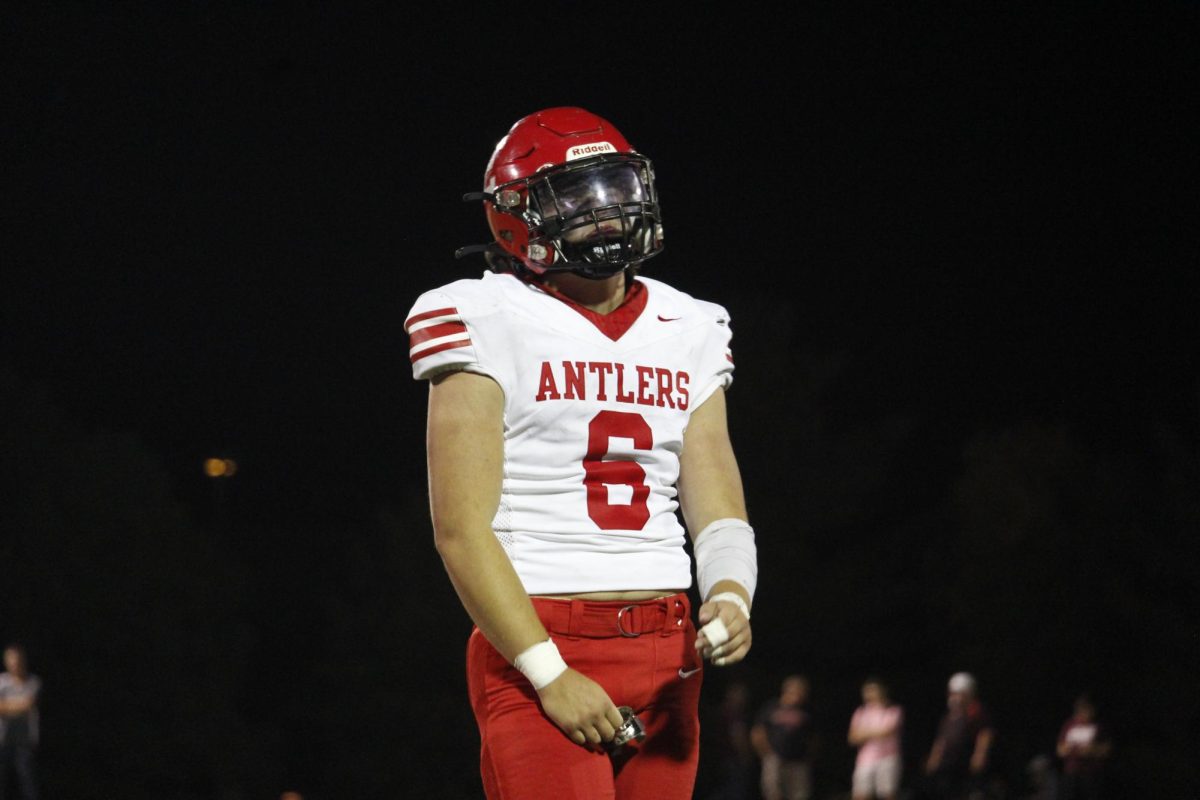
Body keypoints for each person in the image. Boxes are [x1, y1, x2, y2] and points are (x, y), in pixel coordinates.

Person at [407, 107, 757, 800]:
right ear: (514, 214)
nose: (603, 214)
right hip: (540, 634)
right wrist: (548, 671)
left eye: (614, 188)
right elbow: (459, 529)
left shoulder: (691, 324)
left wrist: (731, 592)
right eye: (572, 197)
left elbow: (715, 497)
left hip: (669, 648)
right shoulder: (481, 316)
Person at [922, 672, 993, 800]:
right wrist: (934, 757)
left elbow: (985, 734)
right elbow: (941, 739)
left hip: (965, 760)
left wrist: (980, 754)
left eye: (961, 693)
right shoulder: (949, 716)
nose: (956, 697)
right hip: (947, 763)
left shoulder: (976, 712)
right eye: (954, 693)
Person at [750, 675, 815, 800]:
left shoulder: (806, 712)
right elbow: (758, 732)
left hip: (798, 761)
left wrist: (808, 756)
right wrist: (767, 754)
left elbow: (813, 737)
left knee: (799, 794)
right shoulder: (771, 707)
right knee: (773, 792)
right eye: (798, 690)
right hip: (775, 759)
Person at [847, 677, 903, 800]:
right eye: (867, 691)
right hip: (865, 759)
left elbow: (886, 732)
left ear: (882, 691)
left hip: (888, 758)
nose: (869, 694)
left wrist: (863, 733)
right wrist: (873, 733)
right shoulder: (860, 712)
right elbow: (852, 738)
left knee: (888, 794)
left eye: (873, 690)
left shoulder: (893, 710)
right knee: (860, 794)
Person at [0, 645, 40, 800]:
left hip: (24, 740)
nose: (13, 663)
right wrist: (18, 704)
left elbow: (29, 704)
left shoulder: (33, 681)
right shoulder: (1, 681)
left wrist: (7, 705)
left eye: (16, 659)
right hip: (3, 738)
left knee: (27, 780)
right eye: (10, 659)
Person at [1056, 695, 1110, 800]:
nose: (1083, 713)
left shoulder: (1099, 726)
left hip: (1091, 774)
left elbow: (1107, 749)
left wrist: (1093, 750)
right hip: (1071, 773)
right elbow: (1059, 750)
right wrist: (1067, 749)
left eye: (1087, 709)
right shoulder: (1069, 725)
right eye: (1080, 709)